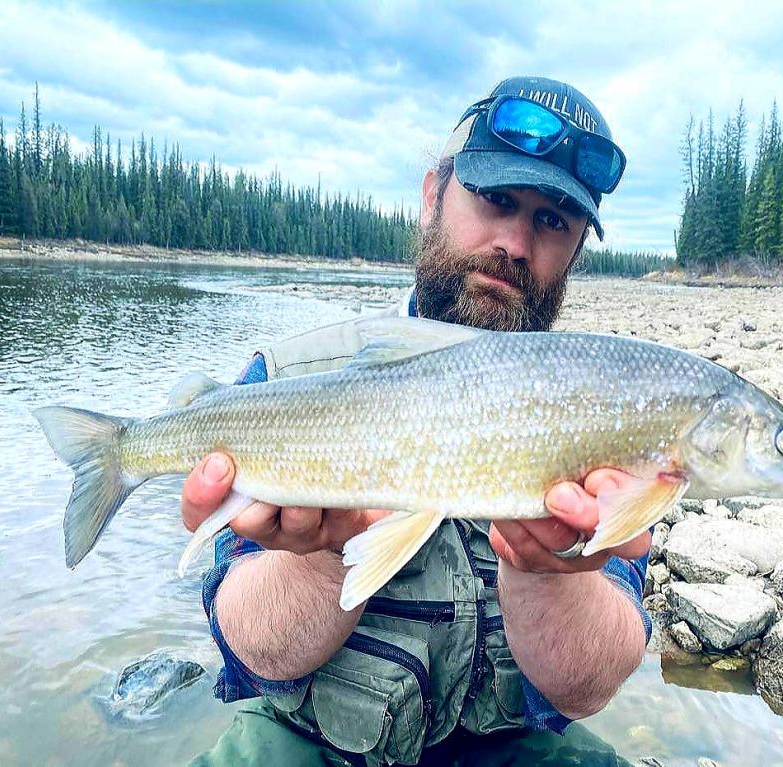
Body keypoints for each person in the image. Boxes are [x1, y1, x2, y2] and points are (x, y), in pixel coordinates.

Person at [184, 76, 650, 767]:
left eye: (553, 221)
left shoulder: (604, 408)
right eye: (495, 199)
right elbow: (254, 649)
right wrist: (320, 561)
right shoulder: (286, 380)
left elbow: (589, 684)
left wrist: (546, 569)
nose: (516, 243)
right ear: (434, 194)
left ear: (576, 252)